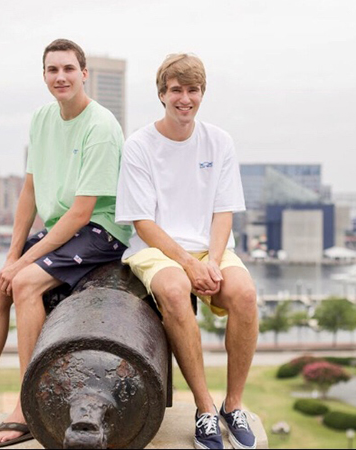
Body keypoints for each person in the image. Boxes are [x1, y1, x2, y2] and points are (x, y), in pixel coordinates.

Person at [0, 38, 131, 449]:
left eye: (68, 69)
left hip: (101, 229)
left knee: (24, 283)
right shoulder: (42, 118)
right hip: (64, 227)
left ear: (84, 74)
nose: (60, 77)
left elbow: (81, 212)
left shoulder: (101, 126)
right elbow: (29, 192)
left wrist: (22, 265)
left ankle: (28, 405)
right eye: (52, 70)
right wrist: (11, 256)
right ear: (44, 75)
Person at [116, 53, 259, 450]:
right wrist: (187, 265)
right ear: (162, 94)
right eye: (176, 90)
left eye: (192, 90)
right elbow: (142, 222)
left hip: (209, 248)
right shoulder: (140, 145)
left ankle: (234, 405)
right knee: (177, 291)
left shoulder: (219, 141)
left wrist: (212, 261)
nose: (185, 98)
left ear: (201, 93)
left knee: (245, 295)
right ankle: (205, 410)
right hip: (156, 249)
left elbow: (223, 211)